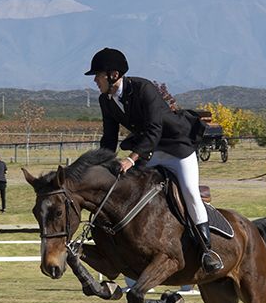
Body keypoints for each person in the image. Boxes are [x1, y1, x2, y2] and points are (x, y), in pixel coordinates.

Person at [86, 47, 222, 273]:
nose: (95, 80)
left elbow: (153, 130)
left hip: (176, 148)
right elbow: (109, 137)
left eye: (97, 75)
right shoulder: (106, 100)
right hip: (150, 151)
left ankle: (207, 250)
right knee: (130, 191)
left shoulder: (144, 89)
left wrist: (131, 159)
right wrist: (99, 165)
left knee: (189, 192)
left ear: (113, 75)